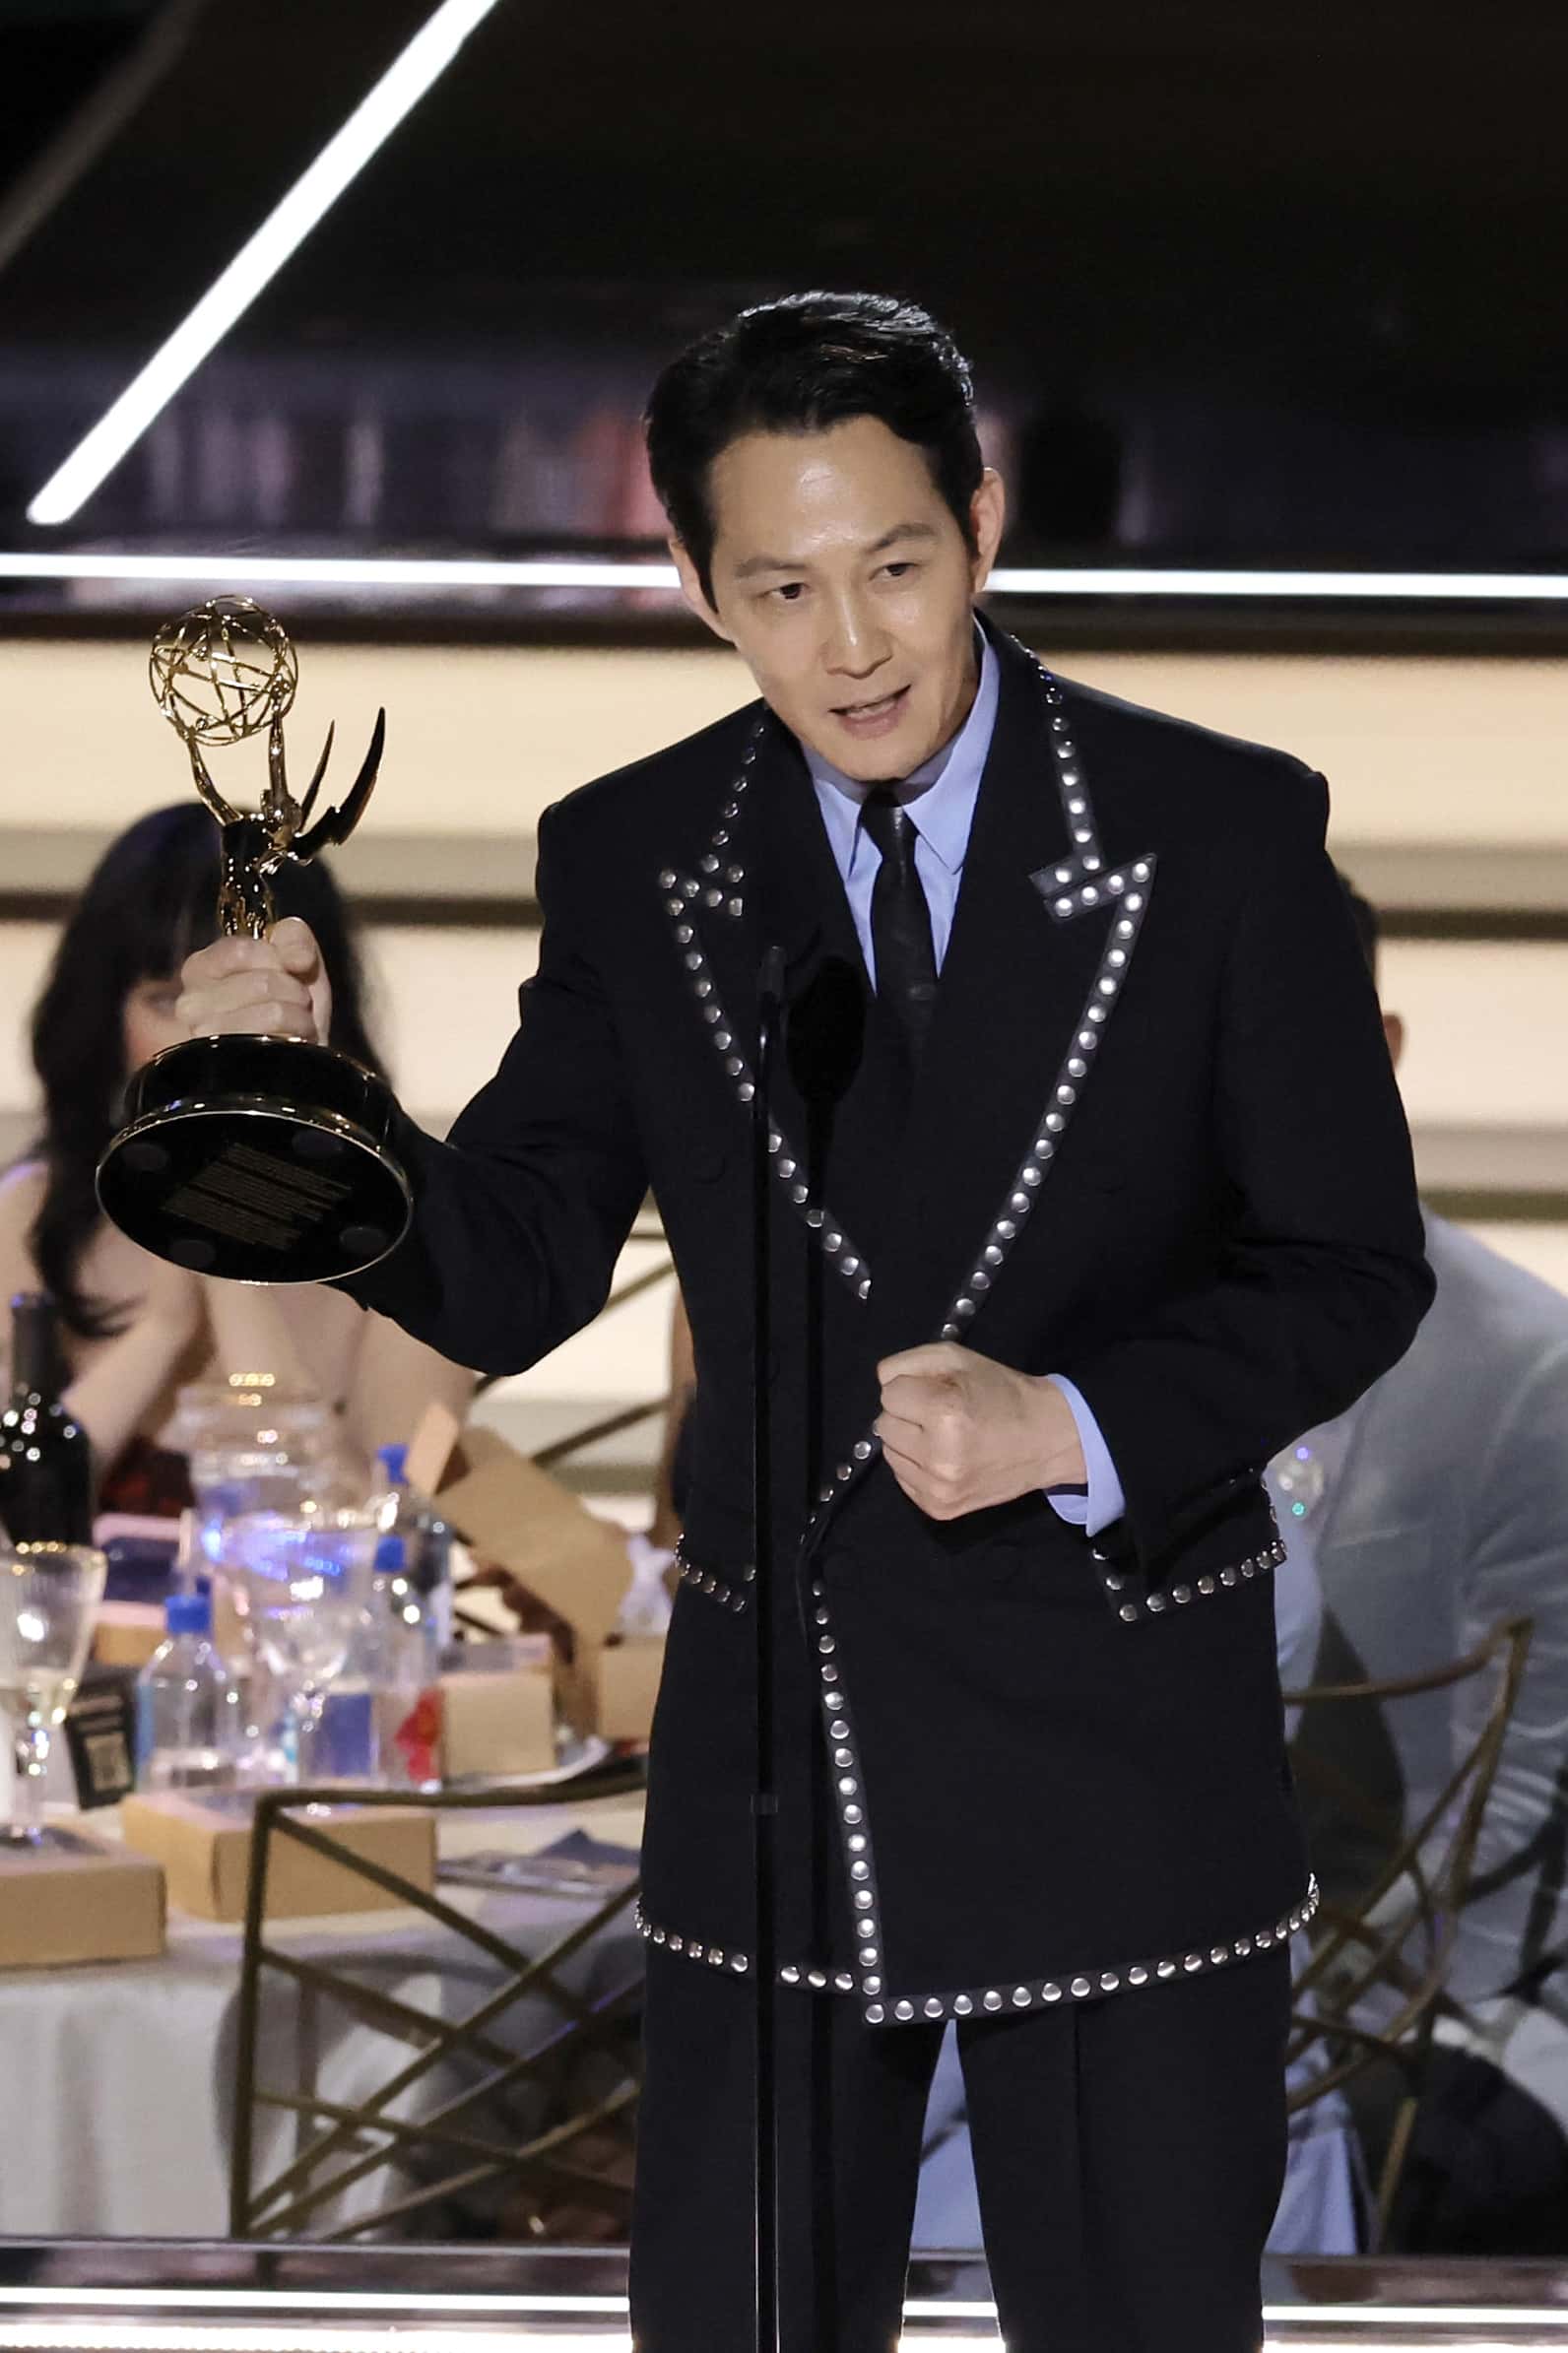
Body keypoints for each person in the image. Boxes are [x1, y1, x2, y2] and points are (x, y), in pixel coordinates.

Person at [171, 293, 1432, 2353]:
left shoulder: (1221, 837)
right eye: (780, 587)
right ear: (692, 583)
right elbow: (513, 1260)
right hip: (780, 1773)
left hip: (1112, 1759)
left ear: (986, 529)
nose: (850, 644)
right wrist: (313, 1124)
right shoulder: (638, 855)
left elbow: (1346, 1265)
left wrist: (1077, 1420)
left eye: (896, 569)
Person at [1281, 879, 1568, 2253]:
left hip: (1457, 2008)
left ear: (1382, 1051)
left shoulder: (1527, 1371)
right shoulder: (1091, 1349)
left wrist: (1257, 1986)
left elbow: (1513, 1813)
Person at [0, 803, 472, 1509]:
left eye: (258, 1001)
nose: (211, 1040)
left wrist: (227, 1244)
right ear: (104, 1016)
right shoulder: (28, 1217)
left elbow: (400, 1524)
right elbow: (14, 1519)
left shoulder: (422, 1247)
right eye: (171, 1000)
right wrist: (160, 1332)